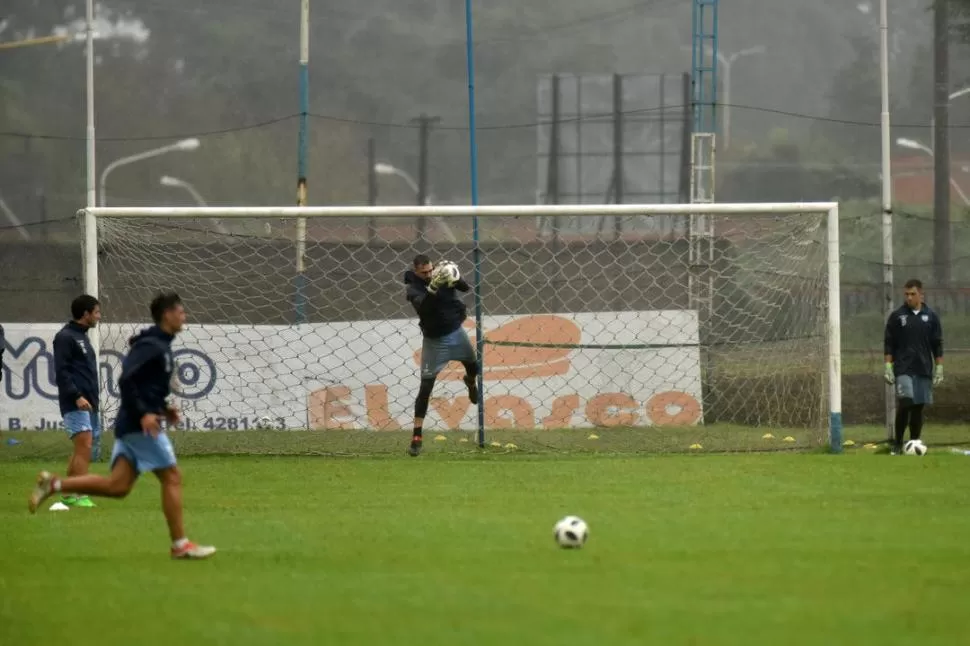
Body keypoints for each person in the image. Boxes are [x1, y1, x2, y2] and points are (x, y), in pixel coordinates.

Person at [29, 291, 216, 559]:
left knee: (118, 487)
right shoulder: (151, 345)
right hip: (139, 426)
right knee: (172, 476)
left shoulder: (158, 344)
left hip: (132, 425)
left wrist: (162, 409)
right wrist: (145, 414)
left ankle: (56, 485)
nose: (184, 316)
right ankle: (180, 545)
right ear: (168, 314)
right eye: (181, 311)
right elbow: (127, 380)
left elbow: (143, 385)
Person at [403, 255, 479, 456]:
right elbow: (424, 310)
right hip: (434, 342)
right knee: (426, 387)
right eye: (423, 273)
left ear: (433, 267)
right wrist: (433, 288)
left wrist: (455, 276)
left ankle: (470, 382)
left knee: (473, 366)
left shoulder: (441, 276)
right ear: (416, 271)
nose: (428, 275)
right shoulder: (414, 289)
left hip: (455, 332)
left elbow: (465, 288)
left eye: (430, 270)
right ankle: (417, 436)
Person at [884, 278, 944, 455]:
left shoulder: (931, 316)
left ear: (921, 295)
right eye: (906, 294)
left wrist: (939, 367)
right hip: (903, 367)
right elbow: (889, 343)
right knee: (906, 401)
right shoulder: (897, 316)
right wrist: (888, 365)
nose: (909, 298)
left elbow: (937, 344)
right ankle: (897, 444)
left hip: (924, 367)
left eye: (913, 294)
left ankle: (914, 443)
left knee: (918, 406)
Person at [52, 295, 102, 508]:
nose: (99, 316)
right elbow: (61, 372)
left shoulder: (82, 336)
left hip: (88, 401)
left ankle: (69, 493)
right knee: (85, 447)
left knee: (81, 448)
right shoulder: (65, 337)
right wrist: (77, 396)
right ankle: (79, 495)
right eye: (97, 312)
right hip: (76, 401)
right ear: (86, 314)